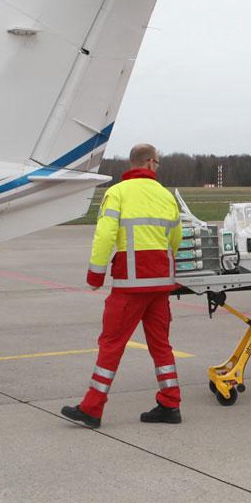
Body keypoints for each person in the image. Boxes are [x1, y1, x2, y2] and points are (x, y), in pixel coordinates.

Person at [62, 144, 184, 428]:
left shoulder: (116, 193)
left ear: (132, 164)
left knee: (111, 344)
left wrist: (96, 274)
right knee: (161, 346)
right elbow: (176, 238)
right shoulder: (166, 196)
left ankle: (92, 408)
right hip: (160, 284)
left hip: (130, 284)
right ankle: (170, 404)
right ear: (151, 163)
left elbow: (105, 235)